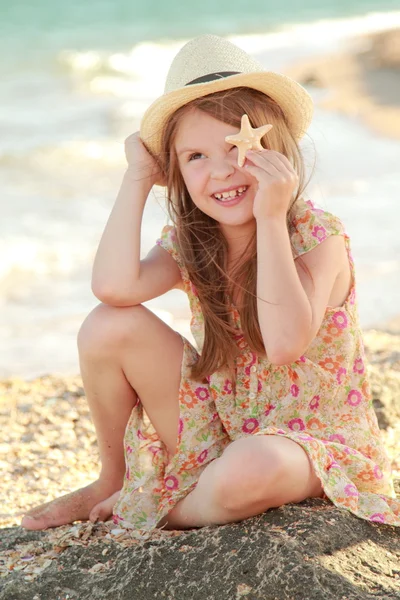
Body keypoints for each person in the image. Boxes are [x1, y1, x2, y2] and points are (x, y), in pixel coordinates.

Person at [21, 34, 400, 532]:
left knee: (251, 466)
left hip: (305, 445)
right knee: (107, 325)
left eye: (236, 147)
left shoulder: (315, 236)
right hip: (221, 426)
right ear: (173, 171)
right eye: (194, 157)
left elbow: (285, 344)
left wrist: (269, 218)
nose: (221, 171)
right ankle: (115, 478)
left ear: (275, 148)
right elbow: (114, 288)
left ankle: (164, 510)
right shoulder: (192, 242)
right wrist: (136, 177)